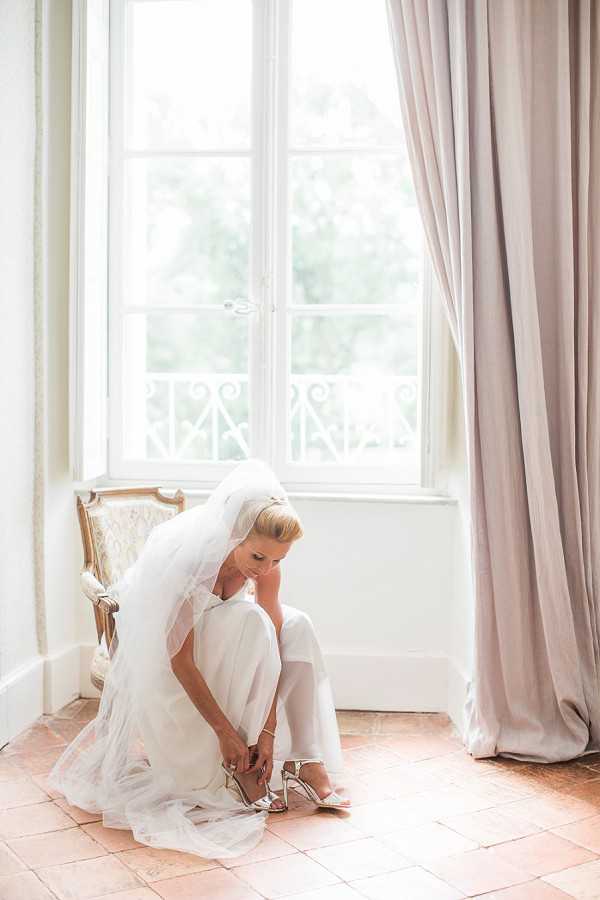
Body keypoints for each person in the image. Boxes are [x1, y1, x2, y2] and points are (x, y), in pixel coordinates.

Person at [49, 458, 349, 859]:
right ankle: (239, 767)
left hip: (230, 640)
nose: (266, 569)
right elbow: (180, 660)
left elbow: (276, 646)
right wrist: (227, 733)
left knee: (295, 626)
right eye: (258, 557)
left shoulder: (268, 571)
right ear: (234, 536)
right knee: (252, 619)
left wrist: (268, 731)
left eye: (278, 559)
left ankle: (305, 759)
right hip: (175, 661)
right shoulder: (193, 568)